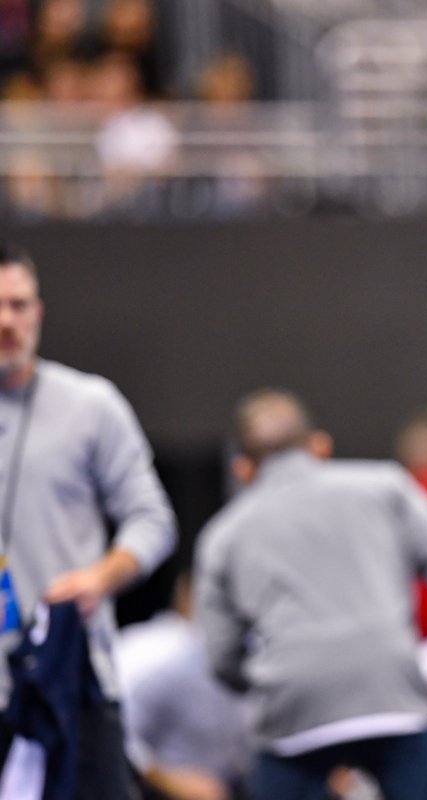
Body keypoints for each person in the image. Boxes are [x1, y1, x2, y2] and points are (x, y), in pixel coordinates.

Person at [193, 388, 427, 800]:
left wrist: (267, 680)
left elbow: (220, 656)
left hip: (291, 712)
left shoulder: (222, 536)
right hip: (393, 694)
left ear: (243, 469)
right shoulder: (386, 487)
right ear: (320, 446)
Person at [0, 240, 177, 798]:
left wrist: (99, 579)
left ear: (39, 311)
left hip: (74, 678)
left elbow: (152, 519)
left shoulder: (90, 405)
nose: (8, 321)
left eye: (20, 304)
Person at [114, 572, 250, 800]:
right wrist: (171, 781)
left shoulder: (255, 652)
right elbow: (115, 739)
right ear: (188, 595)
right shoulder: (155, 653)